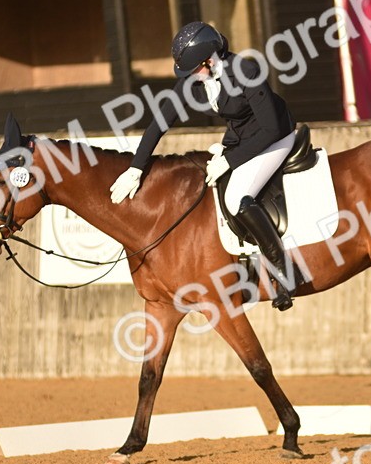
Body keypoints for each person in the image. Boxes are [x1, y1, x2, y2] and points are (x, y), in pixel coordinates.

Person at [109, 21, 306, 311]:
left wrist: (230, 160)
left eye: (194, 70)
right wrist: (136, 168)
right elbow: (159, 123)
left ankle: (285, 272)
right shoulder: (196, 77)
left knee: (237, 197)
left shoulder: (246, 71)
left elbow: (270, 129)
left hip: (276, 137)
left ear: (210, 60)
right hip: (241, 139)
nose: (191, 77)